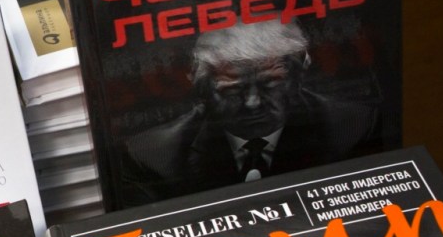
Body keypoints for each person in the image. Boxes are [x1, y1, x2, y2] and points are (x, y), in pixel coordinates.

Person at [119, 19, 379, 201]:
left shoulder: (353, 127)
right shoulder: (154, 155)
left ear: (300, 75)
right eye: (232, 90)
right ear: (200, 89)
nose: (252, 102)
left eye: (271, 84)